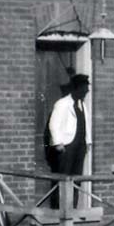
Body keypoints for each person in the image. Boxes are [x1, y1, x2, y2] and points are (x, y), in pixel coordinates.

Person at [45, 74, 89, 209]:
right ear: (76, 88)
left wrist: (88, 143)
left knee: (76, 179)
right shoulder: (62, 104)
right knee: (63, 179)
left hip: (80, 147)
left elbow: (86, 124)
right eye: (83, 89)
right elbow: (53, 124)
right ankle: (61, 210)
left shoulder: (82, 105)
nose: (86, 92)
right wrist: (58, 143)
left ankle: (72, 209)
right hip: (67, 147)